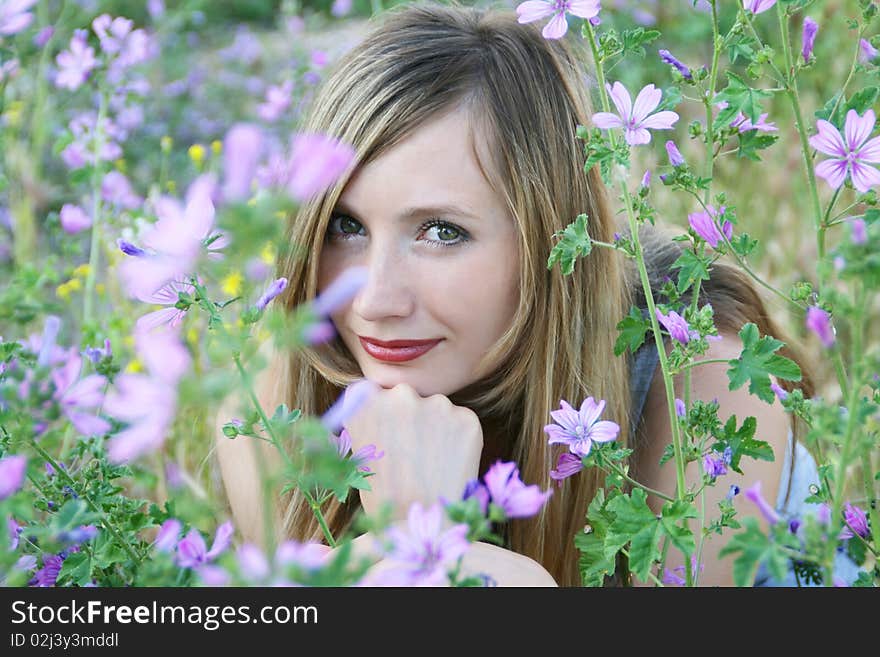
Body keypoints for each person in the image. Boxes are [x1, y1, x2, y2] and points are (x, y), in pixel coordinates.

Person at [214, 1, 825, 586]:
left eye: (441, 232)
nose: (374, 301)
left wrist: (423, 543)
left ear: (548, 242)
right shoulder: (271, 410)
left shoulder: (703, 390)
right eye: (346, 226)